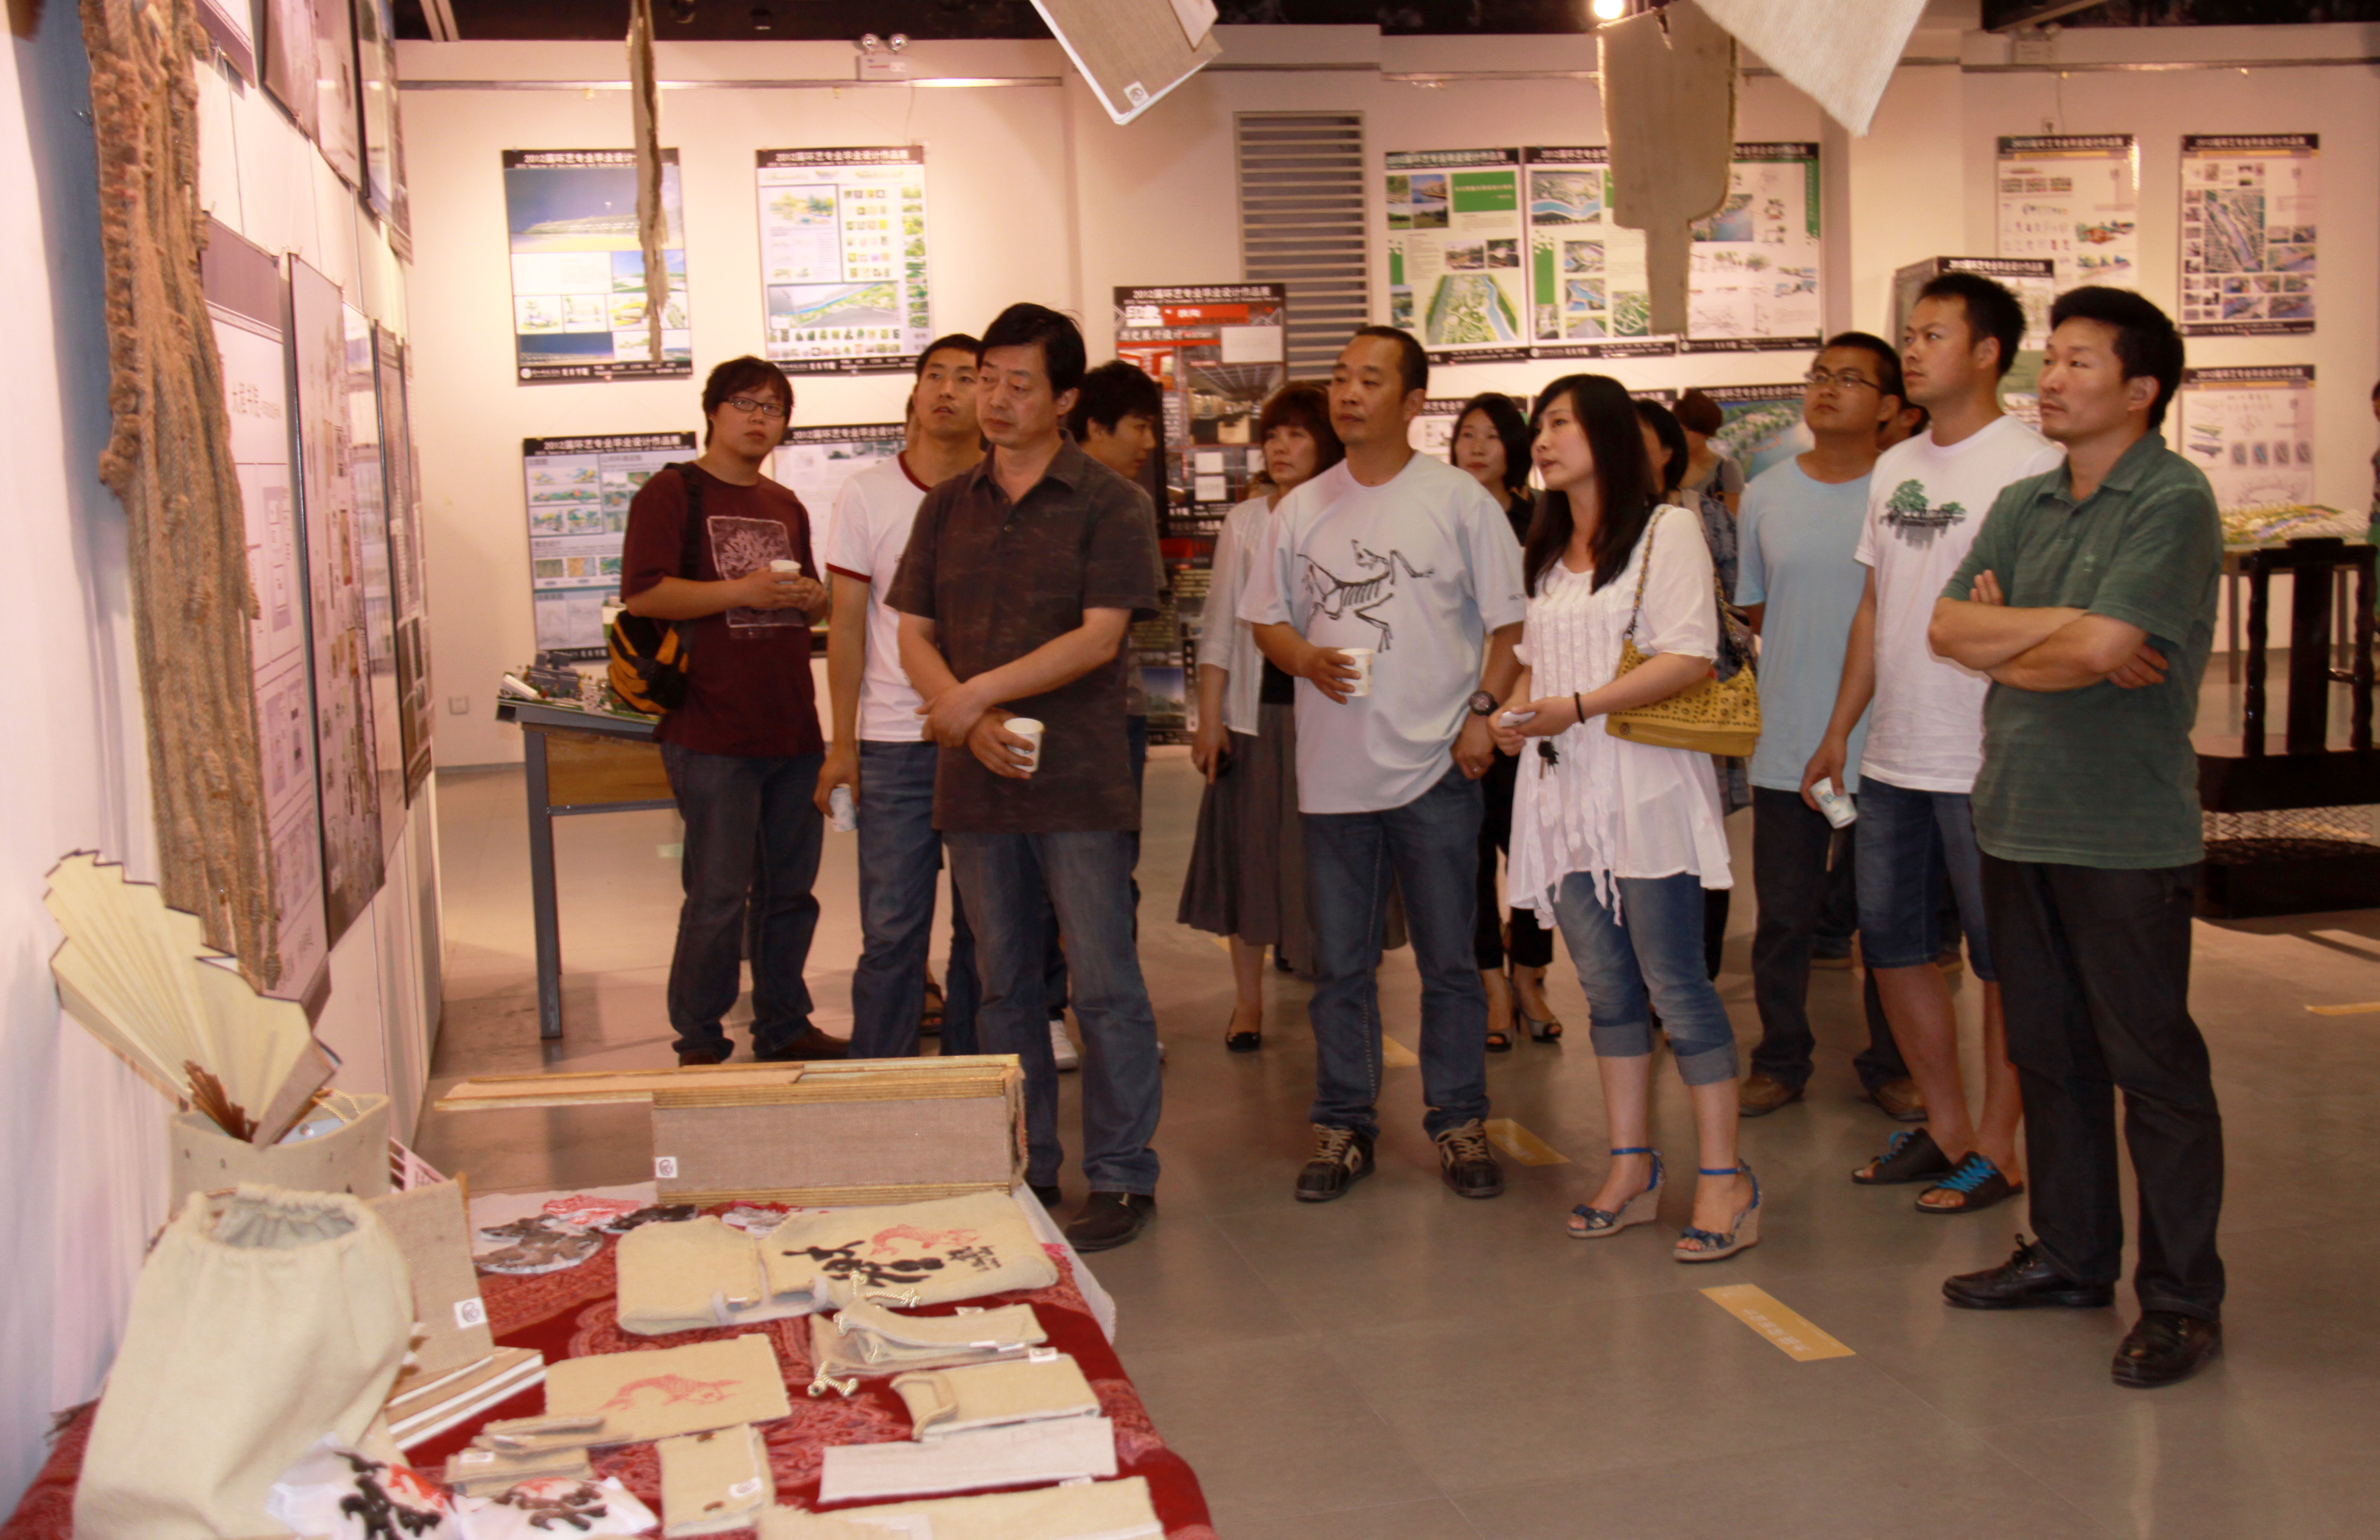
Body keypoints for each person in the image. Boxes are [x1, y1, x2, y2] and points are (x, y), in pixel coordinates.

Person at [1931, 287, 2227, 1388]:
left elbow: (2104, 650)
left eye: (2079, 362)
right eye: (2049, 359)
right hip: (2017, 817)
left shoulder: (2173, 499)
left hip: (2124, 834)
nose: (2050, 380)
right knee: (2050, 1056)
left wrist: (2021, 640)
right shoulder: (2025, 500)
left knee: (2153, 1070)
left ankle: (2182, 1299)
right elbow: (1946, 626)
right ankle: (2070, 1255)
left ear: (2141, 389)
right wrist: (2065, 634)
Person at [889, 303, 1164, 1252]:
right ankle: (1029, 1163)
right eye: (985, 379)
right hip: (976, 782)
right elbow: (911, 631)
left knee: (1103, 982)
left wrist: (974, 697)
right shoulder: (946, 504)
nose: (994, 399)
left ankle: (1122, 1173)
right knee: (1001, 985)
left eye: (1018, 384)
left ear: (1065, 398)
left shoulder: (1109, 502)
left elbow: (1099, 636)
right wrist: (967, 716)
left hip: (1078, 779)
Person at [1244, 326, 1525, 1205]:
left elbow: (1511, 626)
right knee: (1340, 966)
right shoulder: (1299, 508)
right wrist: (1303, 656)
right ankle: (1344, 1123)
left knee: (1449, 961)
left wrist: (1481, 714)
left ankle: (1458, 1118)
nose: (1348, 393)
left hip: (1437, 767)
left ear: (1412, 403)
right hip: (1333, 777)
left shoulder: (1459, 502)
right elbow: (1266, 619)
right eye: (1339, 378)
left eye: (1369, 380)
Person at [1803, 271, 2064, 1214]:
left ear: (1987, 352)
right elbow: (1876, 606)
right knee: (1892, 945)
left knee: (2001, 962)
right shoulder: (1895, 464)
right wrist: (1840, 727)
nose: (1911, 350)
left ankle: (1999, 1144)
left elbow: (2042, 618)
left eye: (1933, 335)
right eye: (1908, 335)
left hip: (1988, 757)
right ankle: (1947, 1128)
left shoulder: (2032, 465)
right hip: (1894, 754)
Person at [1491, 374, 1756, 1262]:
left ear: (1605, 433)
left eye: (1560, 422)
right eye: (1538, 425)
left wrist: (1574, 705)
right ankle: (1631, 1164)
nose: (1542, 439)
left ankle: (1723, 1176)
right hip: (1561, 792)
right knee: (1605, 988)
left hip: (1643, 785)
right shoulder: (1543, 547)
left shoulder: (1665, 531)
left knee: (1675, 983)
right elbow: (1540, 657)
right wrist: (1515, 712)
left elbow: (1688, 655)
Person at [620, 356, 842, 1066]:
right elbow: (644, 594)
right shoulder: (671, 492)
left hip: (793, 728)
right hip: (710, 728)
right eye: (745, 403)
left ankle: (784, 1024)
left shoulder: (786, 504)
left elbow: (808, 603)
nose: (758, 418)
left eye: (773, 408)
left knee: (790, 893)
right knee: (717, 895)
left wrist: (814, 599)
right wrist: (741, 590)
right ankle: (699, 1036)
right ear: (713, 410)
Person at [1732, 334, 1917, 1121]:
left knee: (1887, 919)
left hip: (1890, 744)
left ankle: (1893, 1063)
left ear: (1889, 406)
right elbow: (1757, 608)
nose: (1826, 388)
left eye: (1848, 378)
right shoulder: (1763, 493)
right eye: (1817, 375)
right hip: (1787, 742)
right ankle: (1780, 1059)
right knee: (1783, 918)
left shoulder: (1906, 490)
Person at [816, 334, 986, 1060]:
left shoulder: (1004, 489)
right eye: (934, 376)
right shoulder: (868, 493)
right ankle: (877, 1090)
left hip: (983, 735)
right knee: (891, 931)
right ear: (914, 395)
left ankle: (977, 1081)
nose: (947, 390)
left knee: (986, 930)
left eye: (966, 377)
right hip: (894, 742)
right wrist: (842, 744)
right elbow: (846, 626)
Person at [1178, 384, 1344, 1050]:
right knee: (1247, 861)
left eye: (1296, 434)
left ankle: (1335, 991)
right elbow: (1219, 623)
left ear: (1325, 443)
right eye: (1272, 435)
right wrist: (1208, 717)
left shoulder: (1347, 512)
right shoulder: (1245, 521)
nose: (1280, 447)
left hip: (1330, 716)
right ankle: (1247, 1002)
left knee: (1325, 863)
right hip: (1254, 716)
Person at [1451, 392, 1562, 1050]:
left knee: (1529, 851)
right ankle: (1491, 984)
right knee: (1466, 858)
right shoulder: (1441, 514)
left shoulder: (1543, 516)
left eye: (1491, 435)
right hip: (1454, 707)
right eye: (1467, 434)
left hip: (1526, 707)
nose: (1476, 446)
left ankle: (1529, 977)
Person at [1637, 398, 1745, 982]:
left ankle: (1695, 975)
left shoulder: (1705, 515)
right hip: (1620, 708)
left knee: (1702, 836)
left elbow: (1738, 603)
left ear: (1668, 451)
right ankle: (1648, 976)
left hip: (1696, 699)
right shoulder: (1592, 523)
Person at [1673, 388, 1745, 516]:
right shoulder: (1668, 466)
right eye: (1678, 430)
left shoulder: (1726, 468)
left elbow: (1733, 519)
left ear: (1705, 430)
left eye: (1687, 430)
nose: (1681, 436)